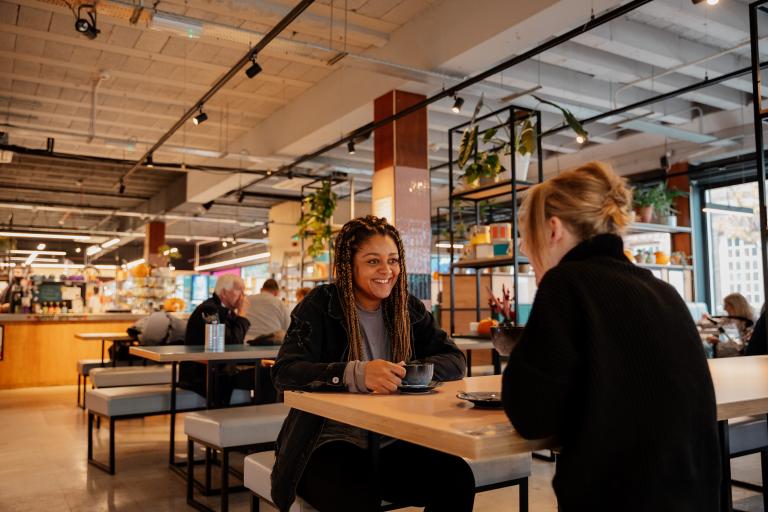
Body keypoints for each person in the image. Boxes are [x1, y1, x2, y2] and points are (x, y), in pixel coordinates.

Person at [502, 162, 720, 511]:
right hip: (695, 496)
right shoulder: (661, 289)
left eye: (527, 237)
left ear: (553, 229)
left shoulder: (566, 284)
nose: (527, 250)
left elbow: (530, 416)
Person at [271, 215, 472, 512]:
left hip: (393, 438)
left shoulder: (407, 307)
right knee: (356, 496)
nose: (386, 271)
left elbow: (455, 360)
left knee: (457, 478)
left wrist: (409, 372)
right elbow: (284, 372)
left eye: (392, 260)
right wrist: (356, 374)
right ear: (348, 266)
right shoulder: (320, 304)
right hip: (325, 442)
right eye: (373, 261)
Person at [178, 274, 250, 405]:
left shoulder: (226, 311)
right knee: (262, 379)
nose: (243, 296)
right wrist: (243, 315)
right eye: (239, 290)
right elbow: (232, 343)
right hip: (201, 375)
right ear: (224, 292)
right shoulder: (209, 309)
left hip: (218, 370)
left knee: (265, 376)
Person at [704, 292, 755, 357]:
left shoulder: (749, 323)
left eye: (726, 305)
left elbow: (740, 347)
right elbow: (720, 321)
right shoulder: (734, 318)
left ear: (735, 306)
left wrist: (718, 343)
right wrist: (707, 318)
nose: (724, 308)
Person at [244, 278, 291, 344]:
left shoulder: (247, 299)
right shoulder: (280, 303)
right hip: (270, 344)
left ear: (261, 289)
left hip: (246, 342)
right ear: (276, 292)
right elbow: (288, 328)